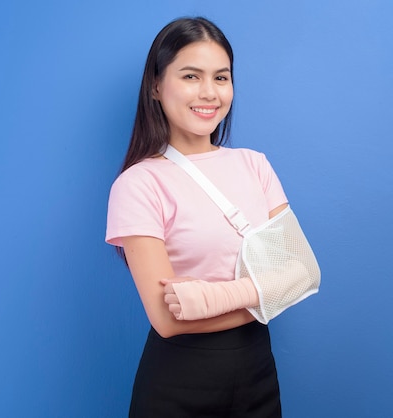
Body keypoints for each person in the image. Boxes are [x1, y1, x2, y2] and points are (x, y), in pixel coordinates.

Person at [106, 17, 289, 417]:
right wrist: (265, 292)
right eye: (191, 76)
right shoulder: (138, 184)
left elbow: (299, 276)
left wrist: (207, 298)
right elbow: (167, 321)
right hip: (178, 385)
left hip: (259, 375)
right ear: (156, 86)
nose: (209, 93)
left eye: (221, 78)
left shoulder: (255, 166)